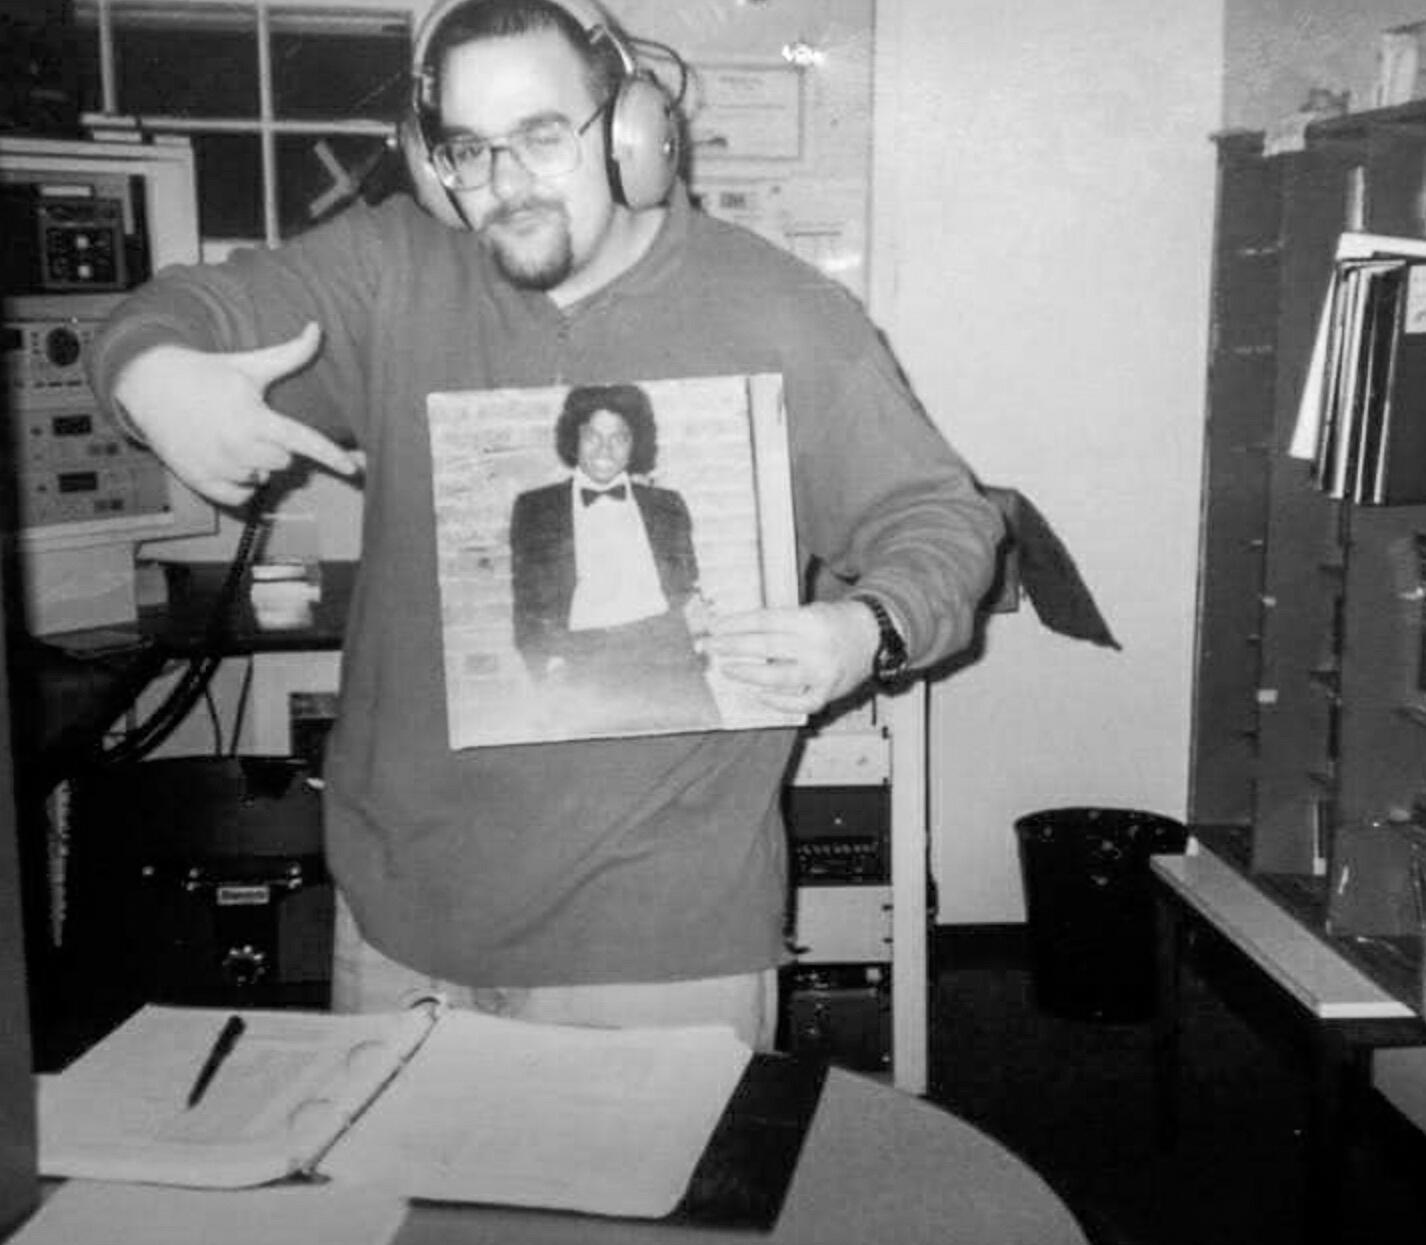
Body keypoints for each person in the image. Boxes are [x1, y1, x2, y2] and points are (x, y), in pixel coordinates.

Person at [87, 0, 1003, 1050]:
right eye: (468, 149)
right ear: (433, 166)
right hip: (404, 926)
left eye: (540, 135)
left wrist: (862, 632)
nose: (506, 182)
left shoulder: (783, 312)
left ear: (633, 130)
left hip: (666, 940)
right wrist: (156, 376)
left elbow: (939, 522)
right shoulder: (390, 271)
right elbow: (179, 311)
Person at [508, 382, 720, 735]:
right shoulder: (537, 509)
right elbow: (528, 605)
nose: (605, 449)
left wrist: (695, 630)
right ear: (573, 439)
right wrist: (547, 672)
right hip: (583, 665)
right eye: (592, 436)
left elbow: (686, 587)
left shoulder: (666, 505)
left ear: (635, 444)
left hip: (667, 658)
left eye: (619, 437)